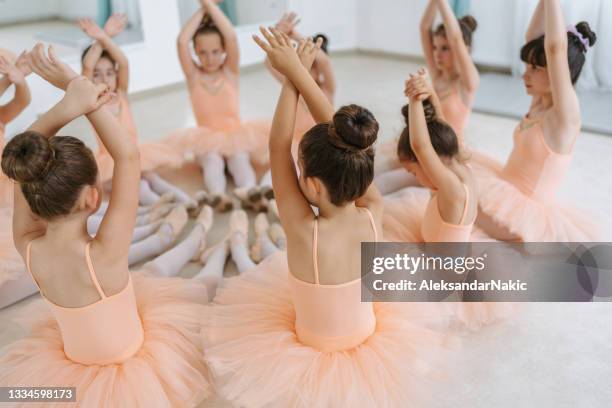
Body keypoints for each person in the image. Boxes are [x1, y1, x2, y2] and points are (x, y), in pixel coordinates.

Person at [0, 45, 209, 406]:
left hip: (67, 379)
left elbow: (20, 163)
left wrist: (69, 103)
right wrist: (82, 96)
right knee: (199, 286)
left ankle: (180, 235)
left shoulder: (26, 242)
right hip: (132, 377)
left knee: (15, 394)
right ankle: (203, 239)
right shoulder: (105, 253)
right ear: (93, 199)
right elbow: (128, 155)